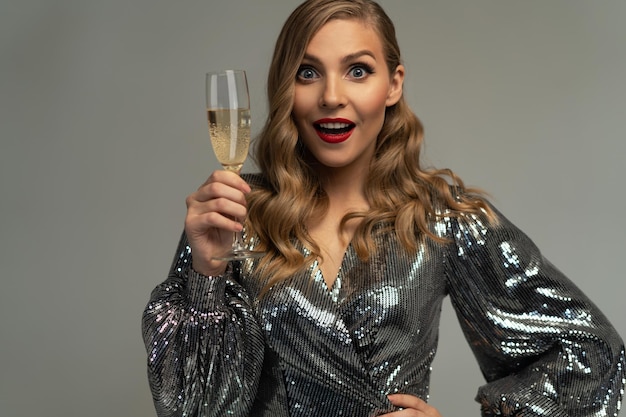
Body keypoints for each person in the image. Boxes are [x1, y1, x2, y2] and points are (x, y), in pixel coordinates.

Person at [142, 0, 625, 416]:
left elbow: (590, 352)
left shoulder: (440, 216)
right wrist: (206, 274)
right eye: (308, 72)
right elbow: (194, 408)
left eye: (358, 70)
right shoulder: (235, 214)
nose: (332, 97)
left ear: (393, 85)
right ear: (286, 87)